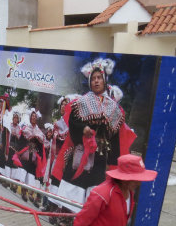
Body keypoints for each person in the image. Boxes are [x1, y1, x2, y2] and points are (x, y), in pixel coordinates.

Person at [52, 58, 136, 214]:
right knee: (73, 183)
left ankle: (86, 218)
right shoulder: (81, 103)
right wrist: (83, 129)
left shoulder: (114, 108)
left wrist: (113, 164)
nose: (96, 81)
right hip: (80, 151)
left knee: (95, 188)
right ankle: (68, 216)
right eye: (94, 78)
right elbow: (73, 124)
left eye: (99, 78)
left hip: (100, 155)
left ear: (104, 81)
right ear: (89, 82)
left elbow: (115, 138)